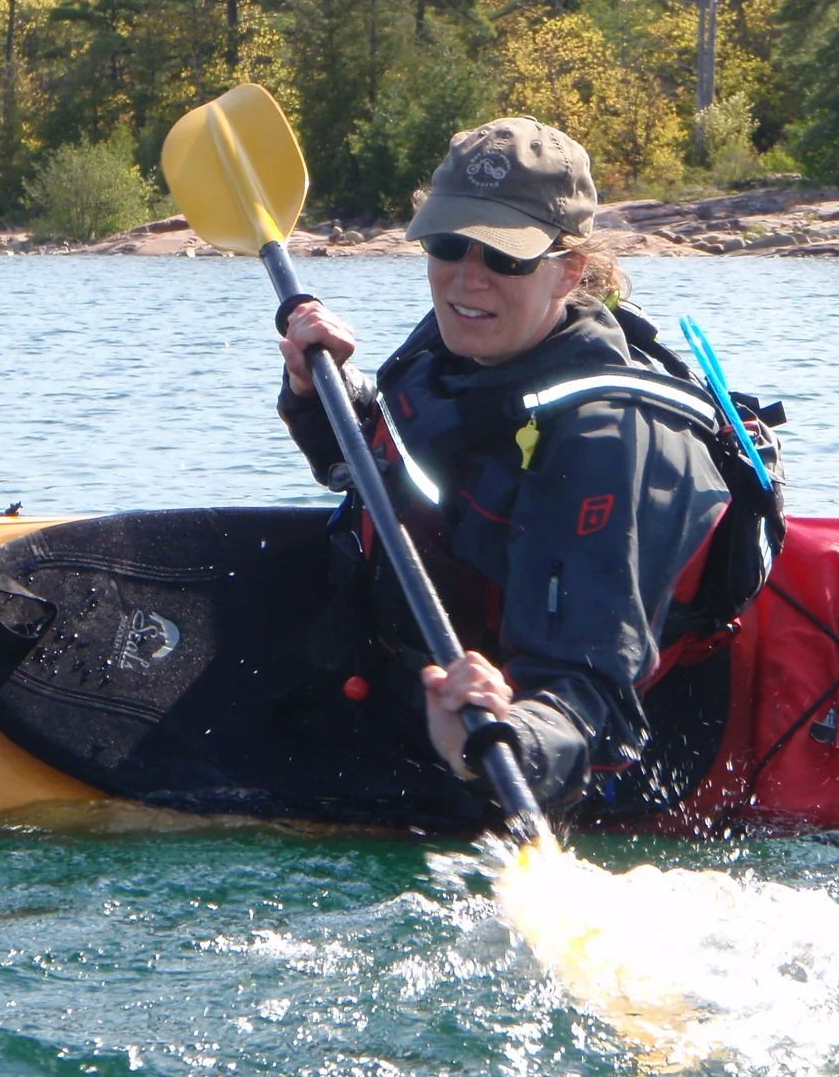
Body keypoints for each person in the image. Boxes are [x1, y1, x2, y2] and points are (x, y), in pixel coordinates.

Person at [275, 117, 780, 827]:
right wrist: (317, 389)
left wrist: (492, 743)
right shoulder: (460, 344)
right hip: (397, 676)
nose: (467, 276)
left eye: (505, 257)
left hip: (546, 761)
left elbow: (588, 697)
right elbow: (379, 475)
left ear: (568, 271)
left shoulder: (608, 443)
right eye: (449, 244)